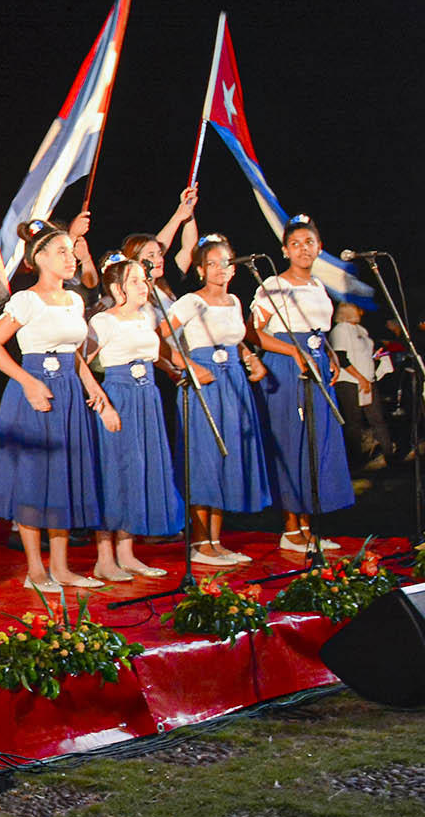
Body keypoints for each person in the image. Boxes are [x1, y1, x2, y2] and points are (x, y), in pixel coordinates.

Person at [0, 220, 112, 592]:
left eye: (71, 253)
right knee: (34, 477)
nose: (70, 259)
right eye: (61, 252)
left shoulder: (75, 299)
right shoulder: (26, 300)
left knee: (64, 476)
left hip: (69, 392)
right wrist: (29, 382)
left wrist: (93, 389)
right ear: (38, 257)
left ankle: (62, 567)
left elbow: (74, 354)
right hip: (34, 392)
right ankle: (35, 570)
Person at [164, 234, 271, 565]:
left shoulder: (236, 302)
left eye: (225, 262)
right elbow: (159, 339)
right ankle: (200, 543)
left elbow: (235, 339)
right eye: (211, 263)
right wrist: (190, 366)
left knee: (229, 455)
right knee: (205, 457)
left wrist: (251, 358)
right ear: (200, 269)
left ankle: (216, 540)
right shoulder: (190, 302)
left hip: (233, 381)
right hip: (205, 382)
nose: (220, 268)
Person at [252, 215, 355, 551]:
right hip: (287, 368)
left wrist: (330, 354)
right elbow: (255, 332)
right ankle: (291, 527)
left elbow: (317, 331)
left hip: (317, 364)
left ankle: (310, 524)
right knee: (291, 440)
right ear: (284, 250)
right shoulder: (274, 285)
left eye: (309, 242)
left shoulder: (318, 287)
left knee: (318, 441)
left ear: (319, 247)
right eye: (295, 244)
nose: (303, 249)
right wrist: (293, 352)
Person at [87, 253, 182, 580]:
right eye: (136, 281)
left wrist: (174, 370)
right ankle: (104, 557)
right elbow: (80, 363)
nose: (144, 286)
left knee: (140, 472)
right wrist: (103, 404)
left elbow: (154, 356)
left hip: (147, 397)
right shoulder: (103, 321)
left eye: (145, 279)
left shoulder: (146, 317)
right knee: (114, 473)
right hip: (119, 396)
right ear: (117, 287)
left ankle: (126, 553)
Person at [330, 302, 393, 470]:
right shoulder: (340, 330)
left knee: (377, 418)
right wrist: (360, 378)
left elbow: (364, 353)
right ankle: (356, 462)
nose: (362, 311)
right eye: (358, 308)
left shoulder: (362, 330)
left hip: (368, 380)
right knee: (354, 423)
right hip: (350, 382)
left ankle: (389, 456)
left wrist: (376, 358)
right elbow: (341, 358)